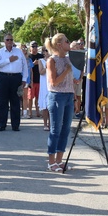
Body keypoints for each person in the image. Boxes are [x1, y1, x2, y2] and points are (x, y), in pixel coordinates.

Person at [45, 34, 76, 172]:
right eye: (67, 41)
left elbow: (72, 80)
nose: (69, 43)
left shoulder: (69, 59)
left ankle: (59, 160)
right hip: (57, 96)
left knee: (66, 129)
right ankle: (51, 161)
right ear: (59, 44)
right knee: (55, 130)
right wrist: (66, 71)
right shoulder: (52, 60)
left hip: (69, 95)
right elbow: (54, 81)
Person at [0, 33, 27, 131]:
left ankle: (15, 125)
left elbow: (24, 66)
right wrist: (9, 60)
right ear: (4, 41)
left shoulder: (19, 52)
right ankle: (1, 124)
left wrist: (24, 79)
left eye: (11, 40)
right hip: (3, 77)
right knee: (2, 102)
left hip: (16, 78)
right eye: (7, 40)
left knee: (15, 102)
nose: (9, 42)